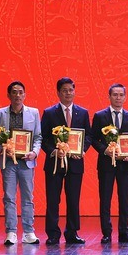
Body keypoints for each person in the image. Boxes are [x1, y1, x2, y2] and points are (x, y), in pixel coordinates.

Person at [41, 77, 91, 245]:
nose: (68, 93)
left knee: (73, 199)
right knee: (53, 199)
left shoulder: (83, 113)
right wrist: (53, 151)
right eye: (64, 90)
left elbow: (88, 136)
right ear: (58, 93)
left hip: (75, 163)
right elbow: (43, 137)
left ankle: (72, 233)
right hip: (55, 163)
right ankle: (53, 234)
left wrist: (82, 150)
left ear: (74, 92)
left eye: (71, 90)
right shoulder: (49, 113)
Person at [0, 81, 42, 245]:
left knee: (28, 197)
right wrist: (3, 148)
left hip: (26, 162)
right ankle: (11, 232)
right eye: (14, 92)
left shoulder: (34, 113)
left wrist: (34, 153)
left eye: (20, 92)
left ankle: (28, 232)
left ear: (24, 95)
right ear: (9, 95)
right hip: (8, 162)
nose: (17, 95)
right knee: (9, 197)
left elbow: (38, 137)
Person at [91, 83, 128, 244]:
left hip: (125, 165)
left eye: (121, 95)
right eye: (115, 95)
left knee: (124, 199)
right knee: (105, 199)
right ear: (109, 96)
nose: (118, 98)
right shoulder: (100, 116)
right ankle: (106, 233)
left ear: (125, 97)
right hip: (106, 164)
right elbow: (93, 139)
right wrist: (105, 150)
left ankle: (124, 232)